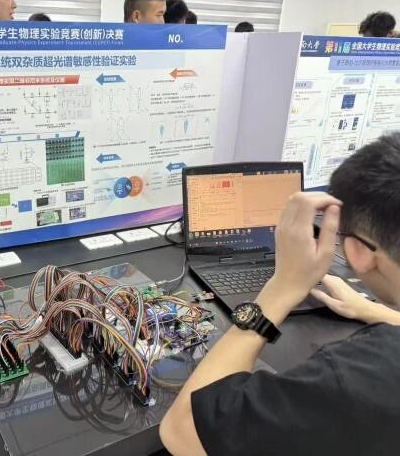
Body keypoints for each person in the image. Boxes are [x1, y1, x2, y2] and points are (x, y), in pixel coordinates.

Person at [160, 133, 400, 455]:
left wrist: (282, 287)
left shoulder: (361, 375)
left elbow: (183, 430)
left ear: (357, 252)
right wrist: (375, 311)